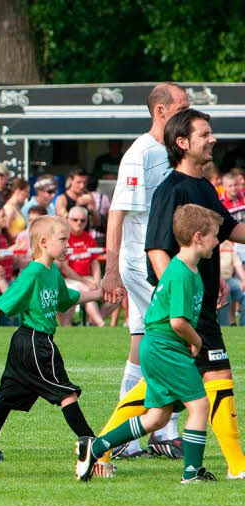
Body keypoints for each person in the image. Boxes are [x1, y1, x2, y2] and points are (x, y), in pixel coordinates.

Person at [98, 108, 245, 479]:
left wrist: (211, 281)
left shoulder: (204, 188)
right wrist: (182, 292)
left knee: (159, 401)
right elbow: (156, 249)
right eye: (204, 134)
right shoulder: (170, 189)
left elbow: (228, 230)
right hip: (187, 310)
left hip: (197, 306)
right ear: (182, 143)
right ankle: (235, 466)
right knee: (216, 377)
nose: (213, 140)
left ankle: (97, 446)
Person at [77, 205, 221, 483]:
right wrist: (197, 340)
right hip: (165, 348)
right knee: (200, 406)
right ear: (198, 237)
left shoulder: (187, 269)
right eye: (215, 235)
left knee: (157, 418)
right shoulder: (181, 273)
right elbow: (178, 322)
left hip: (158, 347)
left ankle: (95, 446)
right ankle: (192, 473)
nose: (217, 241)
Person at [0, 215, 101, 464]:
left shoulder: (52, 270)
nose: (68, 245)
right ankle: (94, 447)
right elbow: (3, 302)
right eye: (63, 239)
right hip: (36, 341)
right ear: (44, 242)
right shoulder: (33, 272)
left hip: (27, 343)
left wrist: (99, 294)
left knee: (5, 399)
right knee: (66, 393)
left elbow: (66, 298)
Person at [100, 82, 189, 460]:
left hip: (156, 259)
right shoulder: (141, 153)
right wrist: (111, 268)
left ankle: (127, 438)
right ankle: (161, 431)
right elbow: (118, 212)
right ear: (161, 111)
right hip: (141, 261)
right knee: (169, 336)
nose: (189, 113)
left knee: (142, 344)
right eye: (183, 107)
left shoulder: (168, 152)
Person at [60, 206, 108, 326]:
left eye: (82, 220)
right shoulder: (63, 239)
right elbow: (64, 267)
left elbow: (95, 262)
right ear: (68, 220)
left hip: (87, 279)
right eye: (75, 220)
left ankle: (92, 322)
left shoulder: (88, 237)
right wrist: (87, 283)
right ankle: (101, 324)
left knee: (116, 290)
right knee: (87, 290)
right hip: (69, 280)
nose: (79, 223)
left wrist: (97, 282)